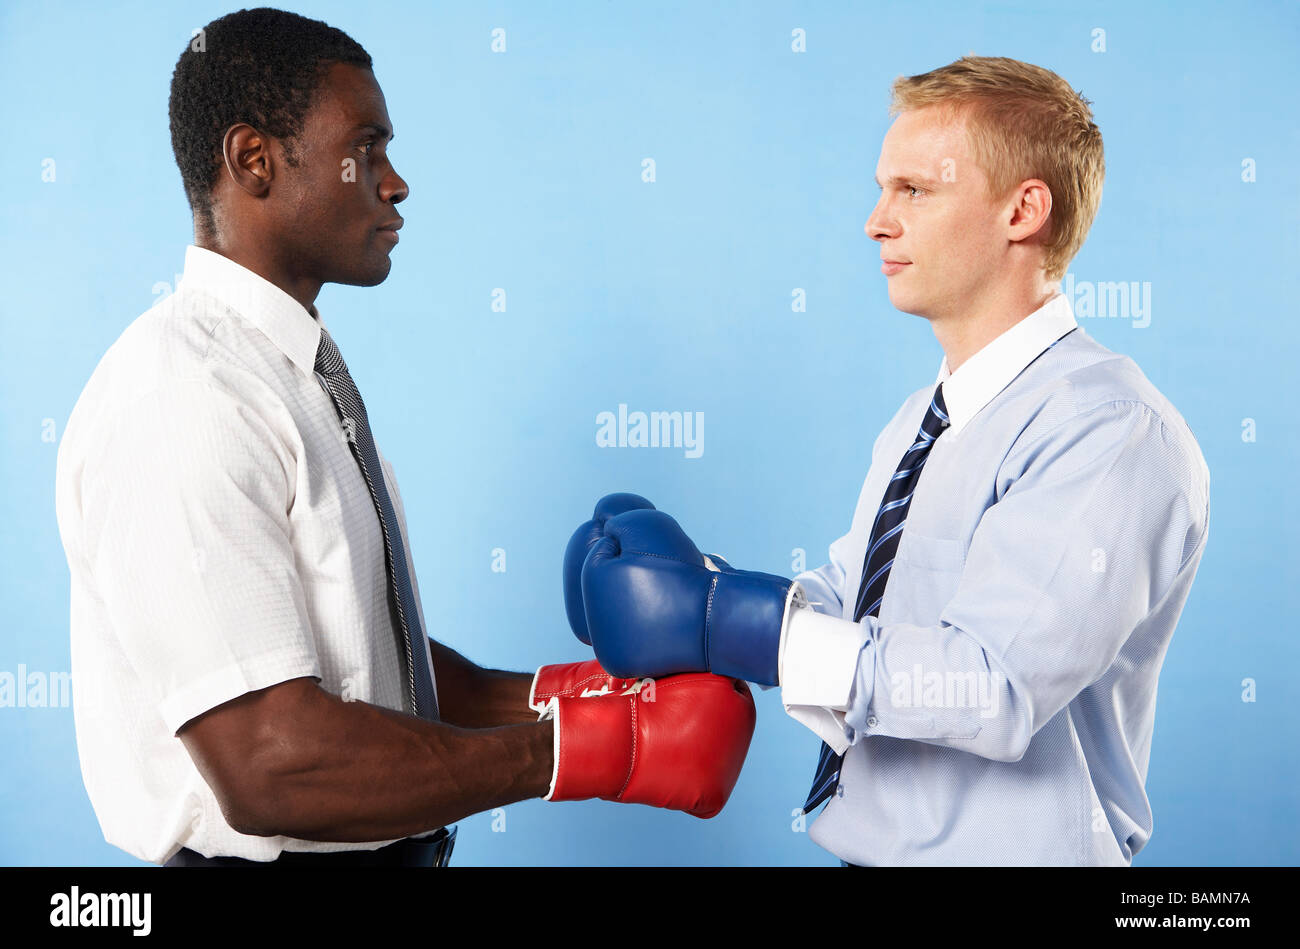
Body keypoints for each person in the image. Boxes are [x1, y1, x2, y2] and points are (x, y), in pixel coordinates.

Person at [53, 7, 756, 867]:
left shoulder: (291, 373)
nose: (395, 182)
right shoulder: (185, 396)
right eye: (367, 147)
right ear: (254, 160)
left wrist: (583, 697)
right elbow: (275, 762)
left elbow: (369, 667)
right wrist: (601, 750)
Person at [564, 55, 1211, 866]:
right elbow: (862, 611)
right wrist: (701, 591)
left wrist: (733, 625)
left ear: (1023, 210)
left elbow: (991, 686)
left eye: (914, 190)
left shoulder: (1110, 430)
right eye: (882, 188)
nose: (876, 220)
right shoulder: (927, 415)